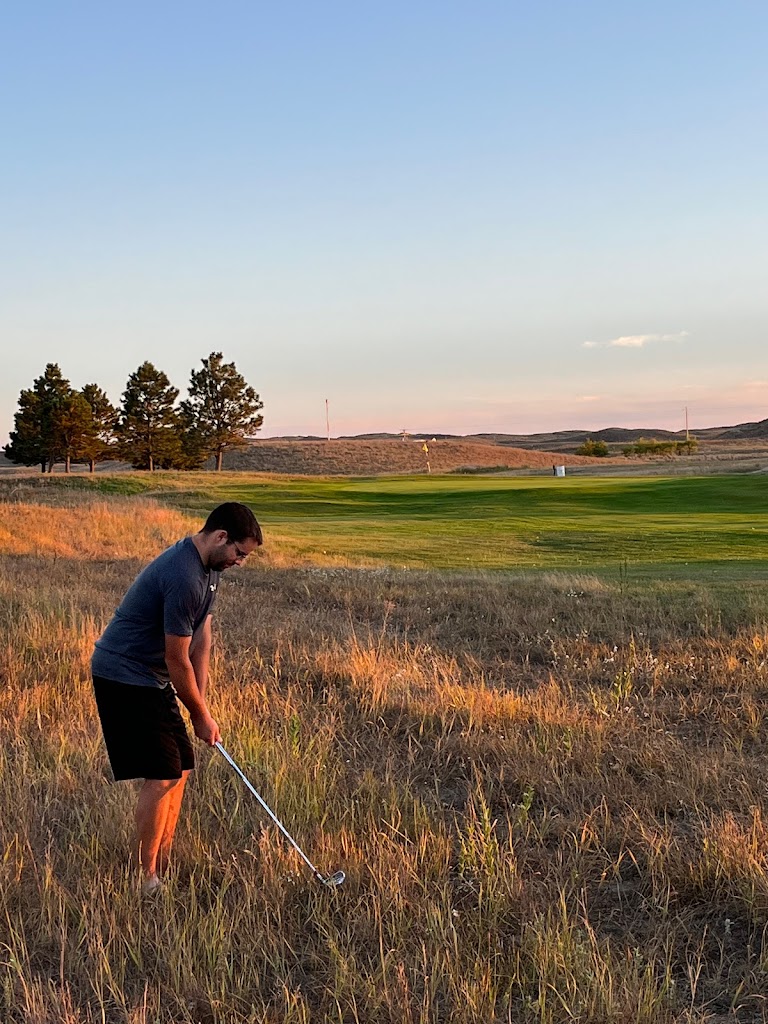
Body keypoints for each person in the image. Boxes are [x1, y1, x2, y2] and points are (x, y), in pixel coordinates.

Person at [91, 501, 263, 894]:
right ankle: (144, 877)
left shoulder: (209, 571)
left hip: (151, 678)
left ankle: (162, 862)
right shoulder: (183, 574)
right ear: (221, 536)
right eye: (239, 553)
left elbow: (201, 639)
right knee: (163, 773)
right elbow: (176, 658)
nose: (240, 562)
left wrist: (200, 703)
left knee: (181, 768)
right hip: (123, 673)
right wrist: (200, 716)